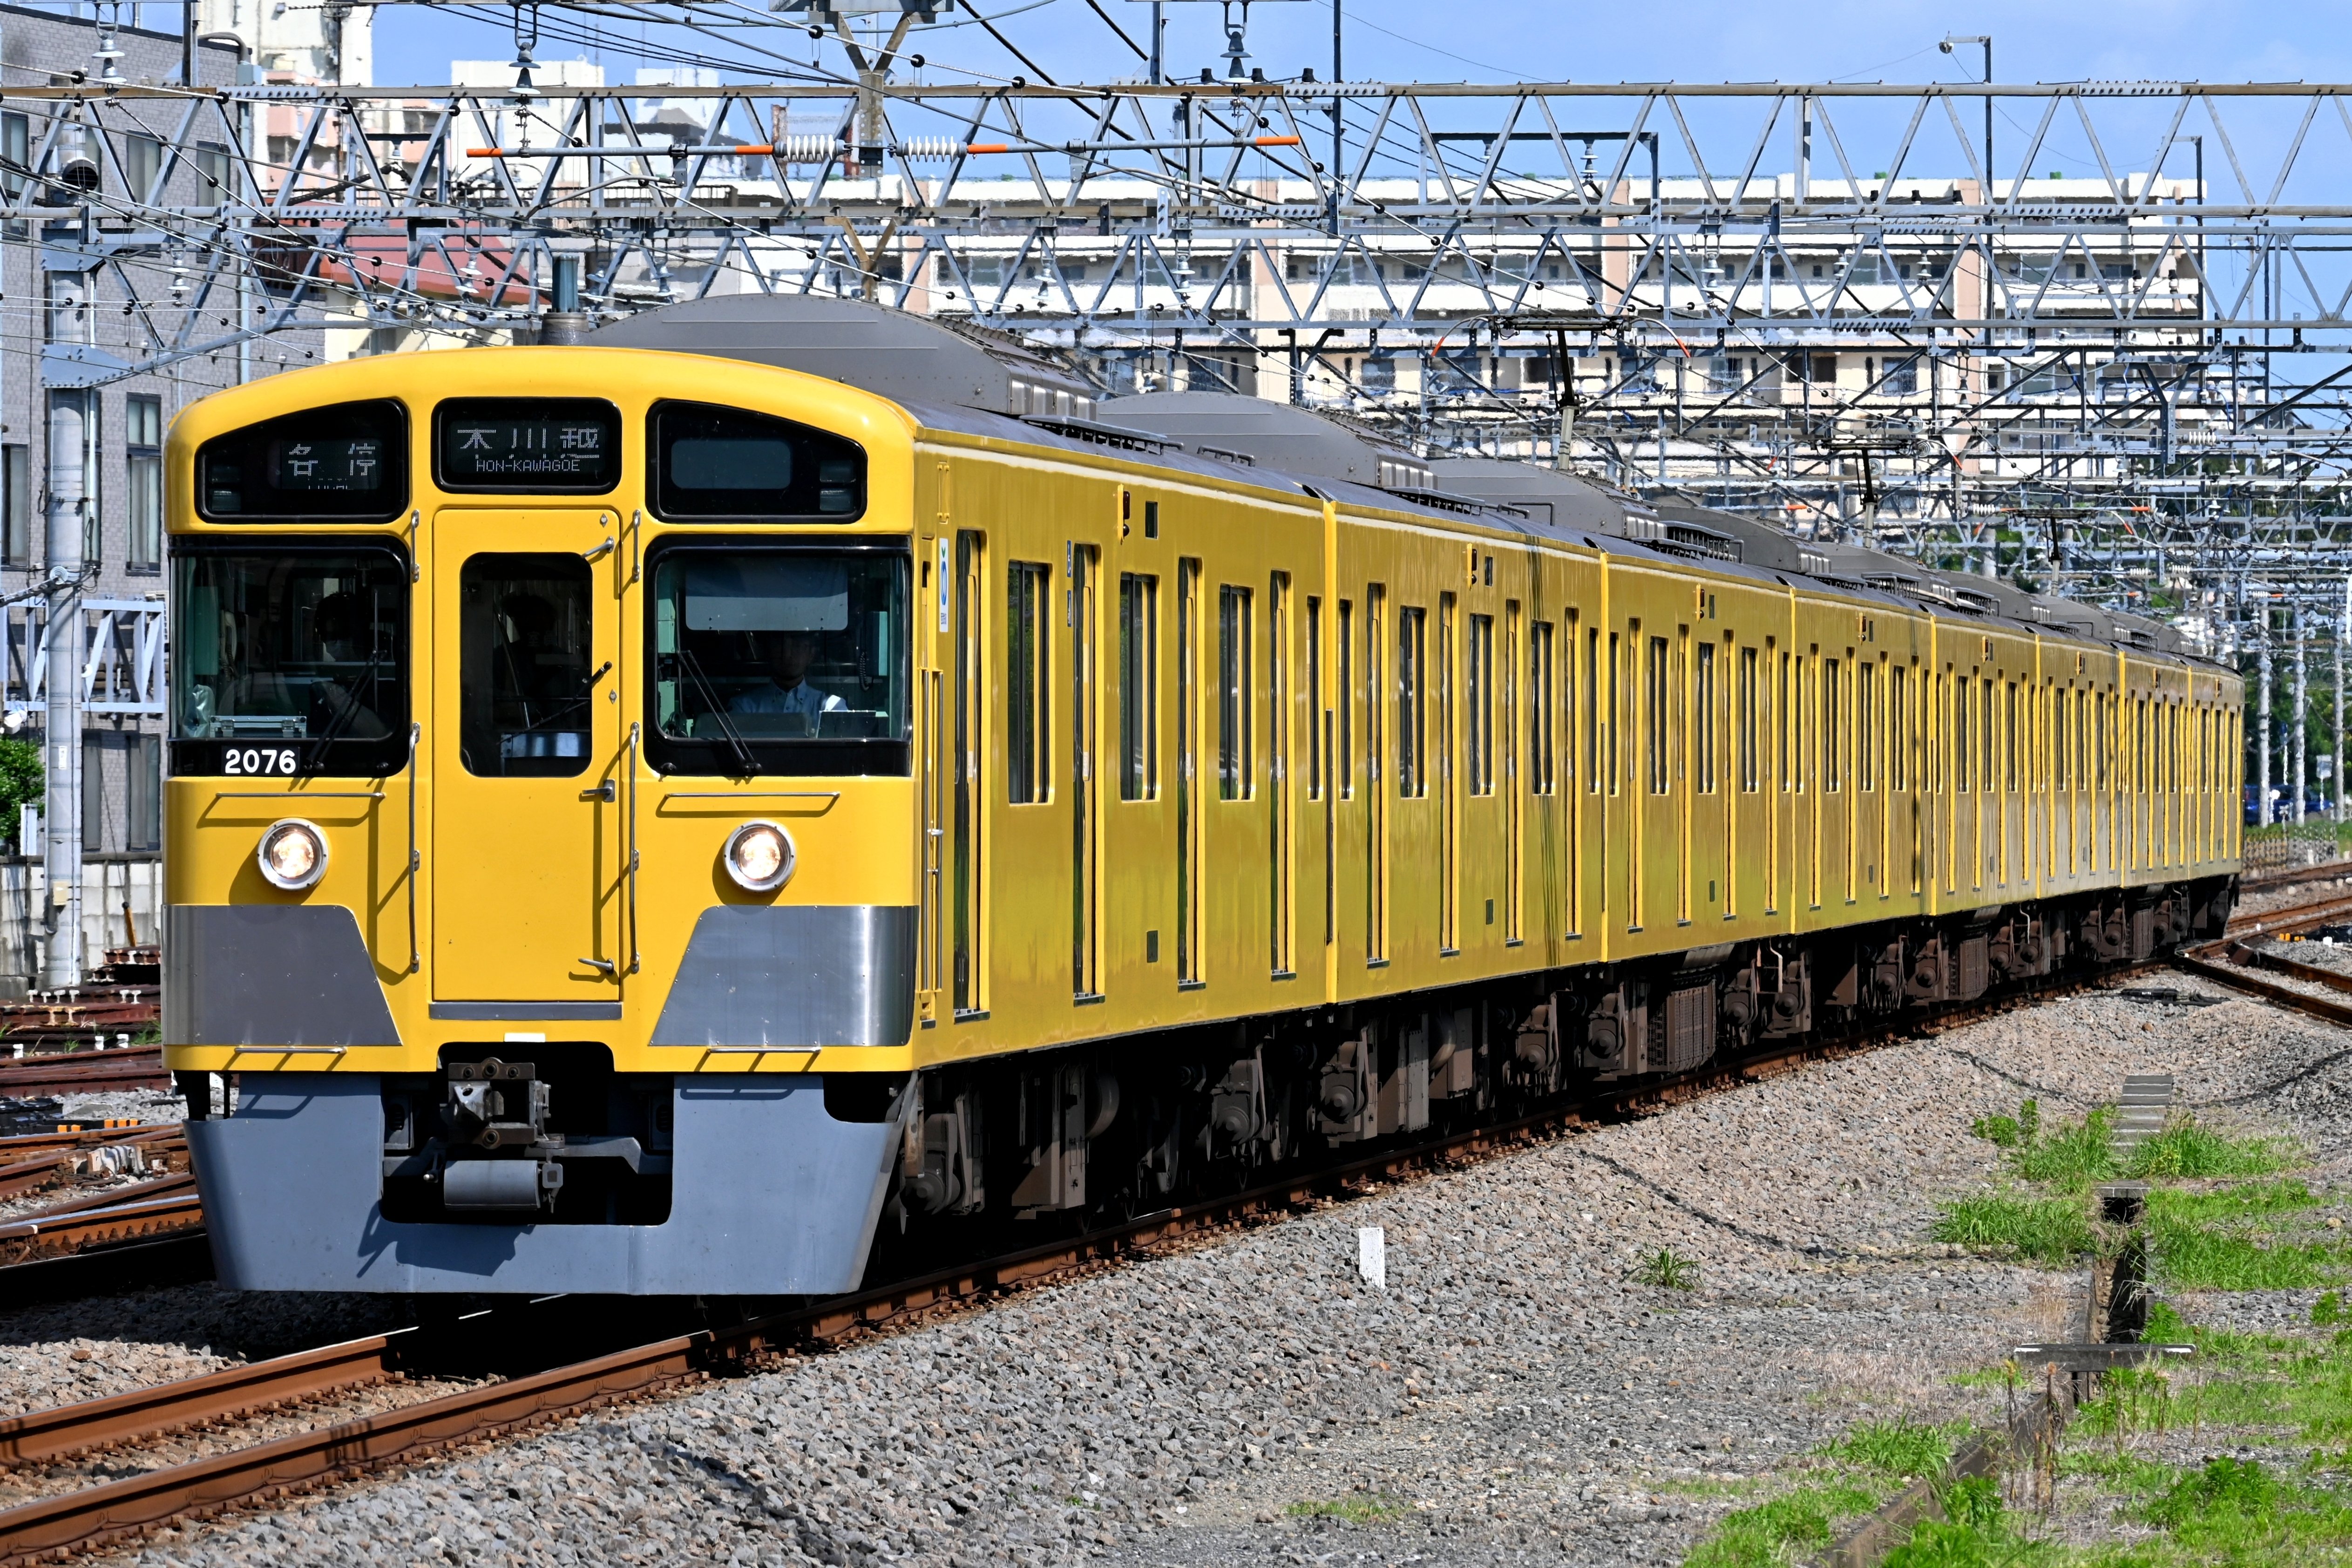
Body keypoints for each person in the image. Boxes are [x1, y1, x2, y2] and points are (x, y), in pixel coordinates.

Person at [731, 629, 844, 727]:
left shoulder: (831, 708)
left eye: (797, 646)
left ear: (811, 654)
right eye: (780, 646)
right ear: (768, 652)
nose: (787, 654)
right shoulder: (743, 707)